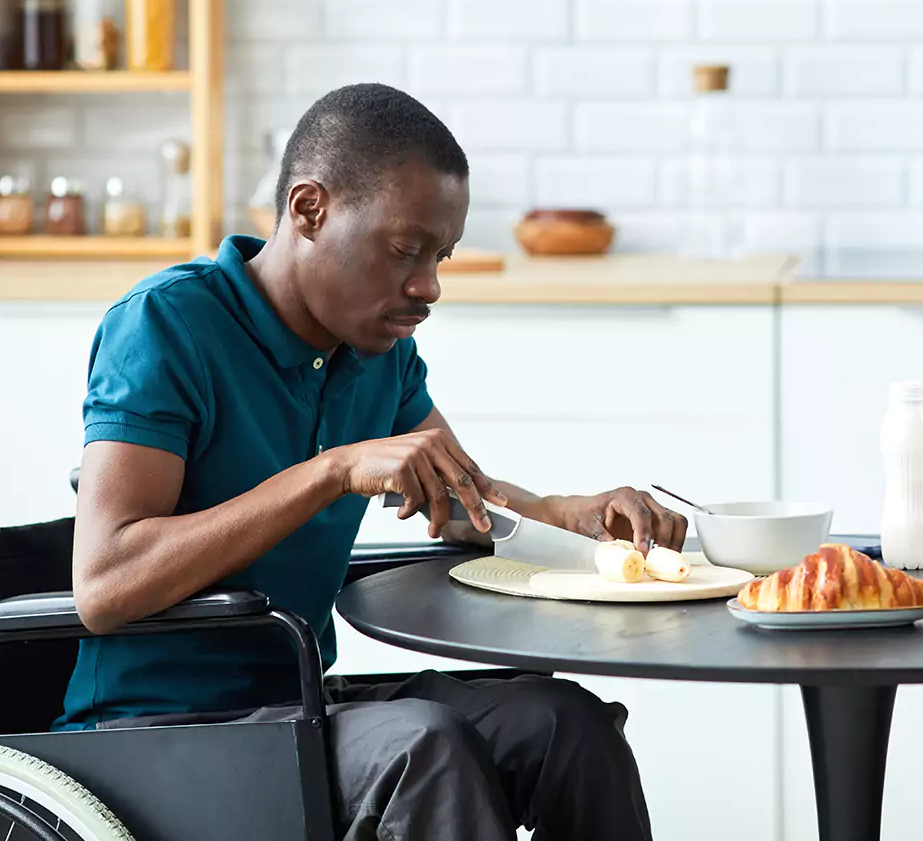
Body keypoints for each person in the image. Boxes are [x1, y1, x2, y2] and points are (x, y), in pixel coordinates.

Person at [59, 83, 686, 840]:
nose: (428, 287)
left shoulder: (379, 353)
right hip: (154, 732)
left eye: (440, 256)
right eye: (404, 250)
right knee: (424, 746)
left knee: (564, 724)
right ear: (309, 210)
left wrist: (566, 515)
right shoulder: (167, 324)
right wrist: (331, 470)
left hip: (298, 703)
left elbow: (460, 499)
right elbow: (105, 583)